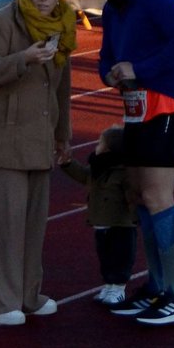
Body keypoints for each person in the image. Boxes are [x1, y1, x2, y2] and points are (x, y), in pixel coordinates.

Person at [87, 0, 174, 326]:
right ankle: (155, 286)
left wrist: (140, 69)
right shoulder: (114, 7)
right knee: (137, 194)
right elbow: (105, 56)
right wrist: (110, 74)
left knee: (156, 195)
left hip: (168, 104)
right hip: (136, 108)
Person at [0, 0, 74, 326]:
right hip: (1, 141)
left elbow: (62, 86)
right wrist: (23, 59)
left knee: (32, 225)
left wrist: (63, 135)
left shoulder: (62, 25)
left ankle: (28, 294)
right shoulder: (1, 21)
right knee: (3, 226)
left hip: (39, 139)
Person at [59, 123, 138, 306]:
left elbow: (132, 195)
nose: (96, 146)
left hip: (121, 225)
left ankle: (118, 288)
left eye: (100, 143)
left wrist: (135, 213)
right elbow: (83, 175)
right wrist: (67, 164)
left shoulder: (124, 172)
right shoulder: (98, 167)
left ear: (110, 149)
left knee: (121, 257)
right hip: (101, 222)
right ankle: (109, 284)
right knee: (105, 257)